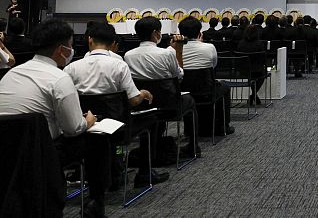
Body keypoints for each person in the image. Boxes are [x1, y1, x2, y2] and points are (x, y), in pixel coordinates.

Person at [0, 19, 107, 217]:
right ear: (61, 50)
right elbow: (73, 128)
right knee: (97, 140)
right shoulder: (59, 78)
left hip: (5, 149)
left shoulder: (11, 74)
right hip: (40, 152)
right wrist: (89, 121)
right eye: (71, 46)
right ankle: (95, 204)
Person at [63, 22, 169, 187]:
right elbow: (133, 101)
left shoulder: (71, 68)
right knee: (152, 120)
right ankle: (145, 173)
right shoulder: (119, 65)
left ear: (89, 40)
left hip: (85, 126)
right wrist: (142, 94)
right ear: (113, 43)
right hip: (117, 127)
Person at [123, 17, 200, 156]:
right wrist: (178, 50)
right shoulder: (167, 53)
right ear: (155, 33)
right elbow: (179, 76)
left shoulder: (128, 56)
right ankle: (193, 146)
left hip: (144, 104)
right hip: (169, 104)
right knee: (190, 101)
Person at [177, 17, 234, 135]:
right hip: (206, 91)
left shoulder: (172, 50)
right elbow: (213, 66)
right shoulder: (209, 47)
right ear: (199, 33)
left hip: (183, 93)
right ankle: (224, 125)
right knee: (225, 87)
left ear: (180, 34)